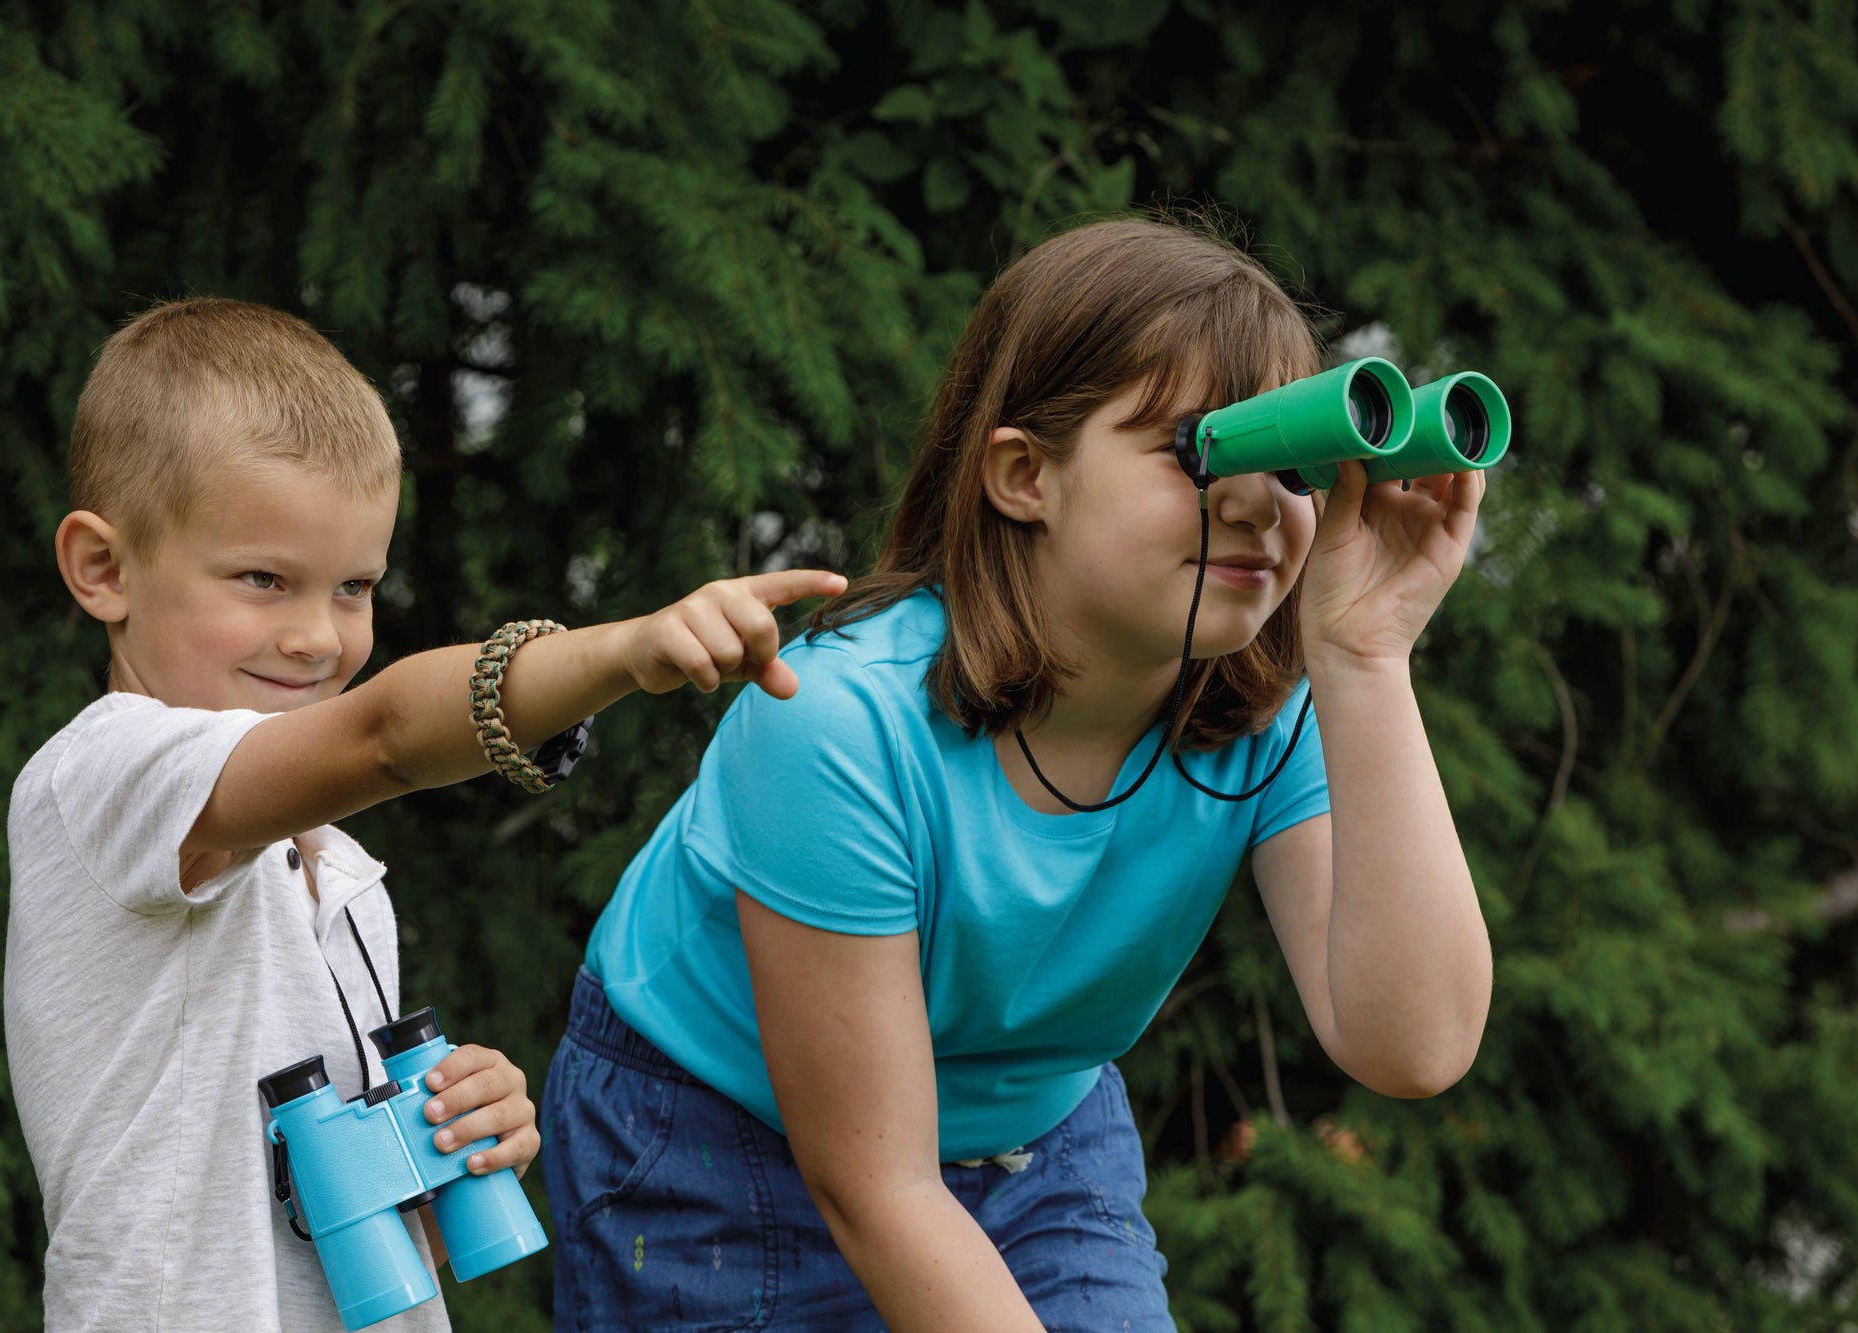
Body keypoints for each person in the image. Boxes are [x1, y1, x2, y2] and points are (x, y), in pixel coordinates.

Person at [541, 216, 1494, 1330]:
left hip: (1030, 1125)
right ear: (1020, 474)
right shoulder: (833, 723)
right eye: (1198, 452)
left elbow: (1411, 1043)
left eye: (1291, 462)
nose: (1254, 502)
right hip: (708, 1136)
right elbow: (877, 1183)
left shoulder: (1268, 713)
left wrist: (1366, 655)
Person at [3, 297, 844, 1332]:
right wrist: (617, 655)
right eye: (263, 579)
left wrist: (451, 1136)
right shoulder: (99, 776)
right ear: (104, 569)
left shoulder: (334, 870)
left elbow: (331, 1229)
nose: (317, 636)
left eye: (354, 586)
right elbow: (385, 736)